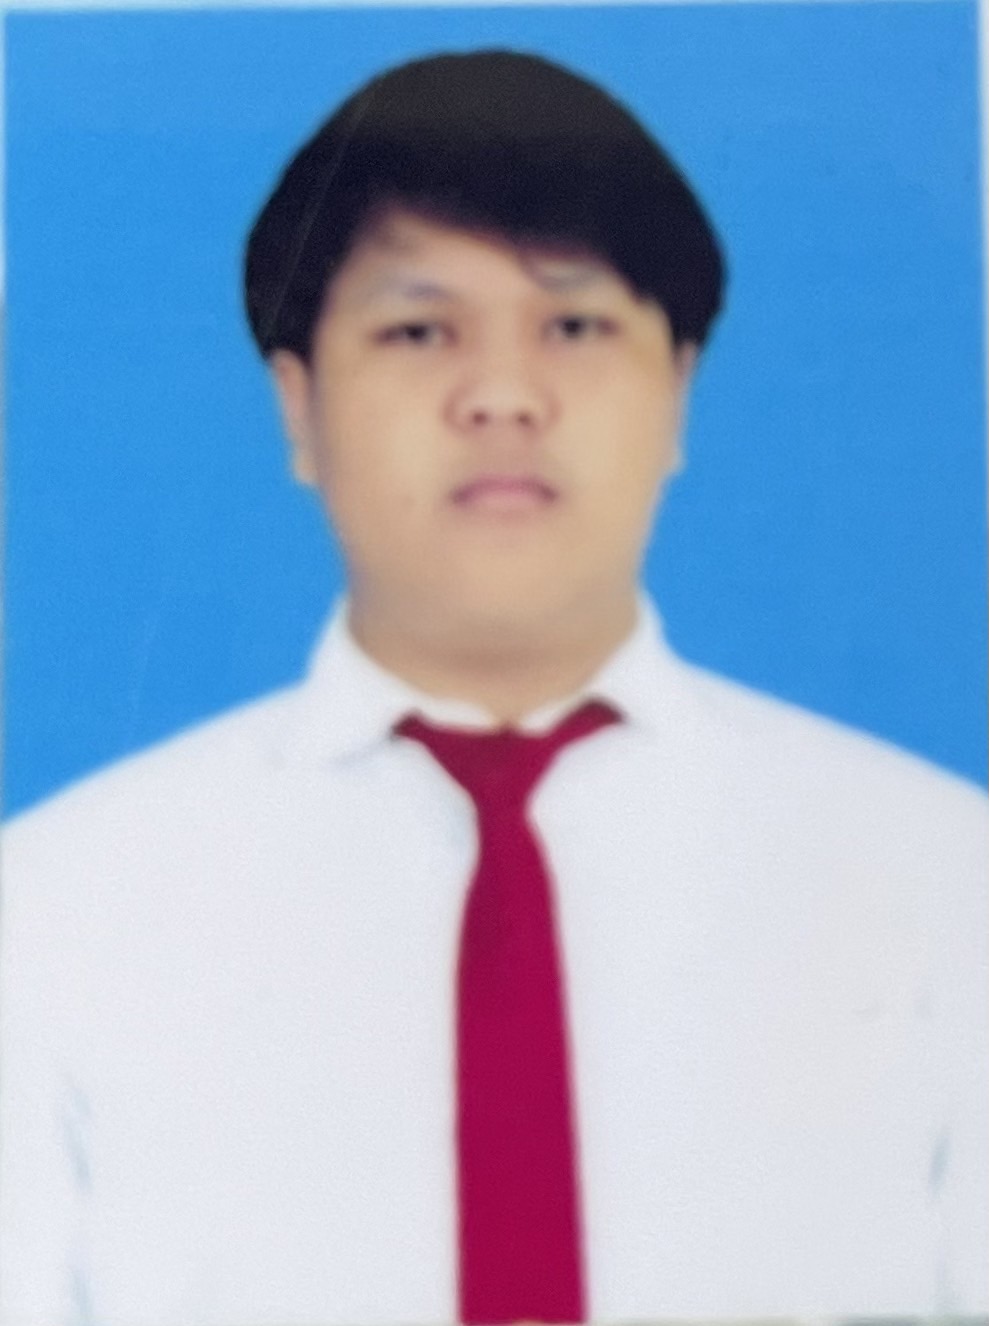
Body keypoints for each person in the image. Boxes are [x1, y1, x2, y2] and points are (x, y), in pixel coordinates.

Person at [2, 48, 986, 1326]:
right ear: (297, 407)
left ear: (678, 391)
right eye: (418, 331)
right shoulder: (53, 911)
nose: (504, 397)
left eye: (574, 326)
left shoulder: (941, 881)